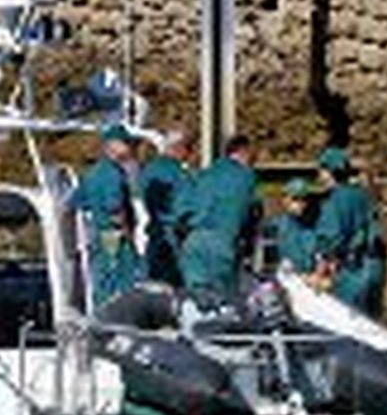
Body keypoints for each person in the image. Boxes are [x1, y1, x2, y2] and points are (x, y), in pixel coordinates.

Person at [180, 134, 260, 302]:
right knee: (223, 305)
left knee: (195, 302)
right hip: (222, 243)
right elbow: (251, 215)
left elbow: (184, 209)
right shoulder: (245, 177)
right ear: (243, 152)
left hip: (193, 242)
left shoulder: (205, 174)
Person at [71, 123, 139, 308]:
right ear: (113, 144)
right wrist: (128, 235)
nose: (130, 149)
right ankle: (116, 324)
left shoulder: (93, 172)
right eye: (127, 144)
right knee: (120, 281)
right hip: (113, 236)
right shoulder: (112, 174)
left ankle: (101, 316)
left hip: (99, 235)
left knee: (101, 281)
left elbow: (77, 201)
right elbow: (115, 209)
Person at [313, 146, 386, 316]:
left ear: (329, 170)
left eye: (321, 170)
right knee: (373, 326)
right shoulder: (360, 195)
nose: (318, 176)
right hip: (375, 269)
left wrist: (319, 272)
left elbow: (331, 238)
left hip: (353, 272)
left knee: (351, 328)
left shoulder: (336, 200)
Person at [136, 129, 194, 288]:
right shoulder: (179, 174)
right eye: (188, 149)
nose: (189, 154)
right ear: (179, 148)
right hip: (173, 238)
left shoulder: (148, 170)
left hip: (153, 234)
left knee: (153, 283)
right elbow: (187, 209)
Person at [274, 177, 321, 277]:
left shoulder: (309, 225)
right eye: (285, 197)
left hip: (304, 276)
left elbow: (311, 255)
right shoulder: (283, 221)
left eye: (301, 200)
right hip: (286, 272)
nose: (285, 201)